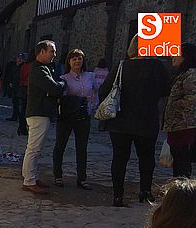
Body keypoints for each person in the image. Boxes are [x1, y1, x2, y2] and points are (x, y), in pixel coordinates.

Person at [100, 34, 170, 206]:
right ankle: (145, 192)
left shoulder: (121, 66)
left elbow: (104, 90)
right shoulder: (157, 66)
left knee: (119, 159)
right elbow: (166, 90)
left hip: (120, 121)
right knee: (146, 158)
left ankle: (118, 195)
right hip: (146, 120)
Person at [22, 41, 66, 194]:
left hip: (41, 112)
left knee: (36, 148)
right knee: (33, 148)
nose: (54, 55)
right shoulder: (39, 70)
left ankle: (32, 177)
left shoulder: (44, 68)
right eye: (51, 51)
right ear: (41, 52)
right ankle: (29, 180)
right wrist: (63, 83)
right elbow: (53, 88)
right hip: (38, 112)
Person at [52, 49, 98, 189]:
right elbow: (62, 97)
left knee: (82, 148)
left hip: (83, 116)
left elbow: (95, 93)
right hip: (67, 116)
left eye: (79, 58)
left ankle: (82, 178)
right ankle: (58, 175)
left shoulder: (90, 76)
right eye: (74, 59)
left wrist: (92, 106)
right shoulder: (64, 78)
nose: (77, 61)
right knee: (60, 146)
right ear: (69, 62)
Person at [162, 43, 196, 178]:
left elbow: (192, 100)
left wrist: (173, 105)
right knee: (178, 161)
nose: (172, 57)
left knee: (182, 162)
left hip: (184, 127)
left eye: (176, 54)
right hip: (177, 126)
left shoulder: (191, 74)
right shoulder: (182, 74)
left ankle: (184, 194)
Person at [16, 52, 31, 135]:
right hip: (27, 89)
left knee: (23, 109)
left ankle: (21, 128)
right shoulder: (30, 66)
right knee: (25, 110)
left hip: (23, 88)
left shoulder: (24, 66)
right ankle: (23, 128)